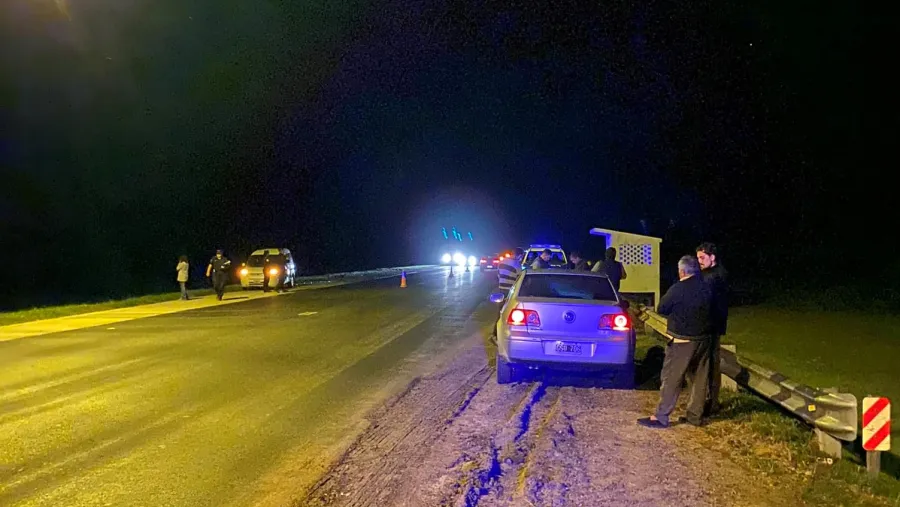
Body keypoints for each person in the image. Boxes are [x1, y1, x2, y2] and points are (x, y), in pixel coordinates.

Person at [637, 255, 713, 428]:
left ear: (682, 271)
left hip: (682, 340)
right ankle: (695, 416)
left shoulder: (678, 288)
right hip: (704, 339)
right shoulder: (707, 287)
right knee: (699, 379)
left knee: (671, 377)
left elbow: (662, 308)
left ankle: (661, 416)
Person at [697, 242, 729, 417]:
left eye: (702, 258)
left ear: (712, 257)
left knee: (707, 365)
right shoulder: (718, 273)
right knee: (711, 365)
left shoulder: (711, 277)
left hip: (709, 327)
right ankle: (711, 402)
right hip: (715, 326)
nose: (699, 261)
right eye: (698, 258)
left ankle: (709, 403)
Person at [493, 248, 525, 343]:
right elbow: (519, 279)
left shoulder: (502, 261)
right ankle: (499, 334)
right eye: (521, 256)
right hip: (509, 291)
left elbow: (498, 275)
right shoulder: (517, 264)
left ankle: (495, 333)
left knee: (500, 311)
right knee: (506, 313)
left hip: (501, 289)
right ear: (519, 255)